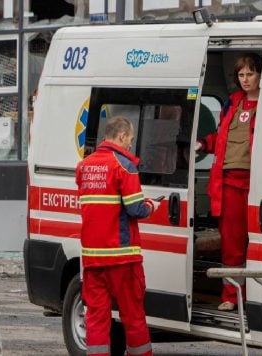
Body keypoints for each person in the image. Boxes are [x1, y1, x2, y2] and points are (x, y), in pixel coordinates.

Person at [76, 116, 161, 356]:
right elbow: (136, 209)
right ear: (122, 136)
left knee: (96, 318)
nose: (130, 145)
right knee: (133, 316)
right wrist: (152, 205)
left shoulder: (84, 165)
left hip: (92, 258)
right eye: (130, 139)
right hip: (122, 257)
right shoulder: (124, 165)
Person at [195, 53, 262, 311]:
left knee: (260, 245)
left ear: (260, 75)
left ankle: (257, 295)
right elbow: (221, 138)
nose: (245, 80)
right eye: (241, 75)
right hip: (230, 184)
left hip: (260, 184)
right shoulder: (232, 103)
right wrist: (203, 144)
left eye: (250, 74)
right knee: (232, 246)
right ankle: (232, 296)